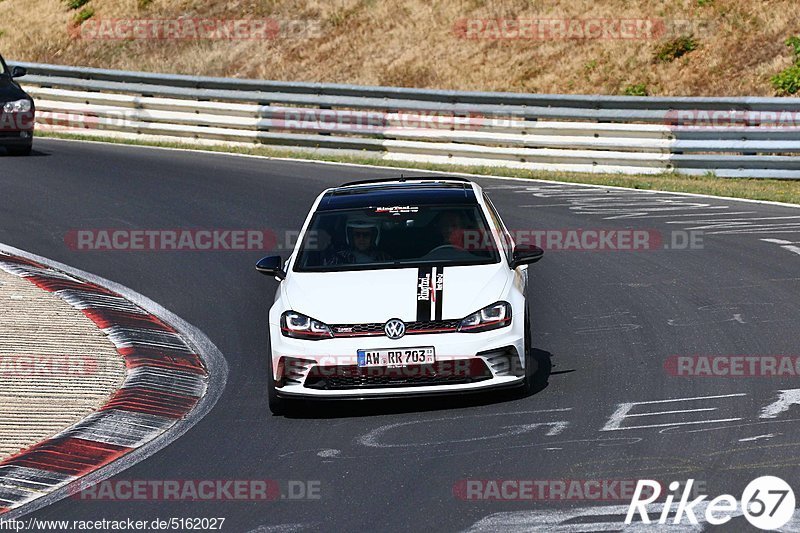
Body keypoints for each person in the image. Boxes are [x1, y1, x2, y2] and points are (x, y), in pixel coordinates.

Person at [325, 218, 391, 265]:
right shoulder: (337, 259)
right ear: (351, 237)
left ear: (373, 237)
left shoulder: (384, 259)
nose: (361, 238)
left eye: (366, 235)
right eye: (357, 234)